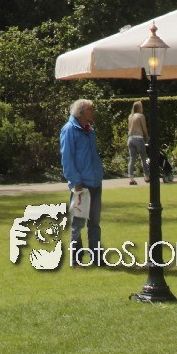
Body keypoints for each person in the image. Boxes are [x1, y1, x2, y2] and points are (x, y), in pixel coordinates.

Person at [60, 98, 103, 266]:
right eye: (91, 110)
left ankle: (97, 258)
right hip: (81, 184)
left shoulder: (90, 130)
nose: (94, 112)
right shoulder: (69, 130)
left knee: (95, 223)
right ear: (81, 113)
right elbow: (67, 158)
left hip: (95, 182)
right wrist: (75, 181)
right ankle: (76, 259)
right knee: (78, 223)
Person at [126, 100, 149, 185]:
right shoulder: (141, 116)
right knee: (143, 158)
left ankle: (131, 178)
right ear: (139, 108)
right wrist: (147, 137)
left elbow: (129, 128)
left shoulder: (130, 116)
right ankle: (146, 176)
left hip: (130, 138)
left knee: (132, 159)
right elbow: (144, 128)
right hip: (139, 138)